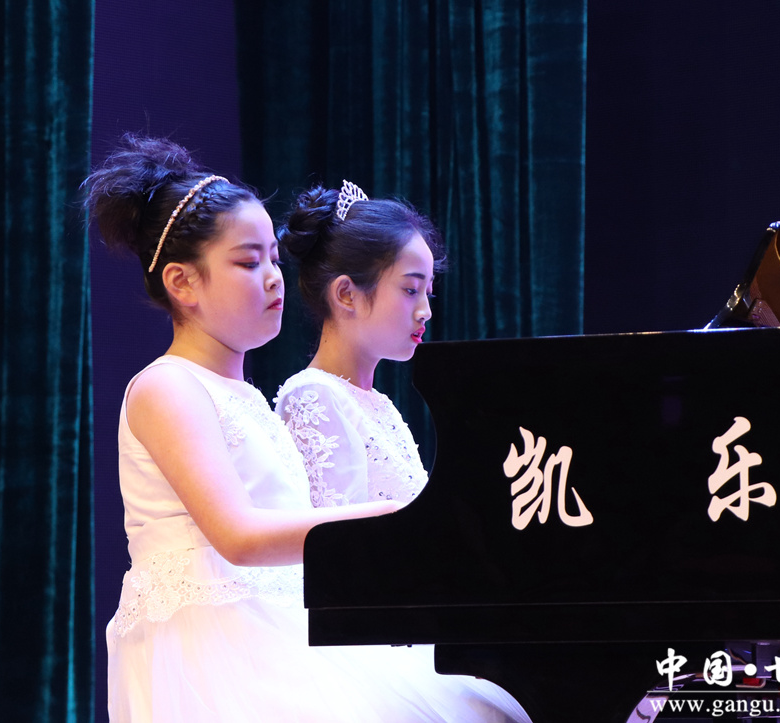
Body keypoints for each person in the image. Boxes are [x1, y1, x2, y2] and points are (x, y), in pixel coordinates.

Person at [84, 136, 528, 723]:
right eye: (249, 262)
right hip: (214, 646)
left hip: (275, 628)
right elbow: (239, 536)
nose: (274, 278)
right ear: (182, 282)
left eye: (274, 258)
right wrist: (402, 517)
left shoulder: (247, 397)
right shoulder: (166, 387)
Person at [274, 181, 442, 508]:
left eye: (428, 293)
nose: (426, 311)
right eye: (411, 290)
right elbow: (340, 533)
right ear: (346, 294)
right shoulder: (314, 397)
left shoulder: (378, 404)